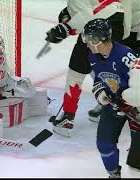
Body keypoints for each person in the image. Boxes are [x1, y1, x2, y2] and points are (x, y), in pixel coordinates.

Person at [45, 0, 140, 137]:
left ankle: (67, 117)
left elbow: (86, 16)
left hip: (113, 26)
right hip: (121, 24)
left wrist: (66, 27)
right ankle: (109, 104)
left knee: (77, 69)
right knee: (105, 66)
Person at [82, 18, 140, 178]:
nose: (86, 43)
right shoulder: (93, 56)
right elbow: (99, 79)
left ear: (96, 40)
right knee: (104, 143)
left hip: (135, 107)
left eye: (87, 39)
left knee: (137, 156)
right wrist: (100, 92)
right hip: (114, 104)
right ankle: (114, 174)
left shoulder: (126, 56)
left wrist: (135, 103)